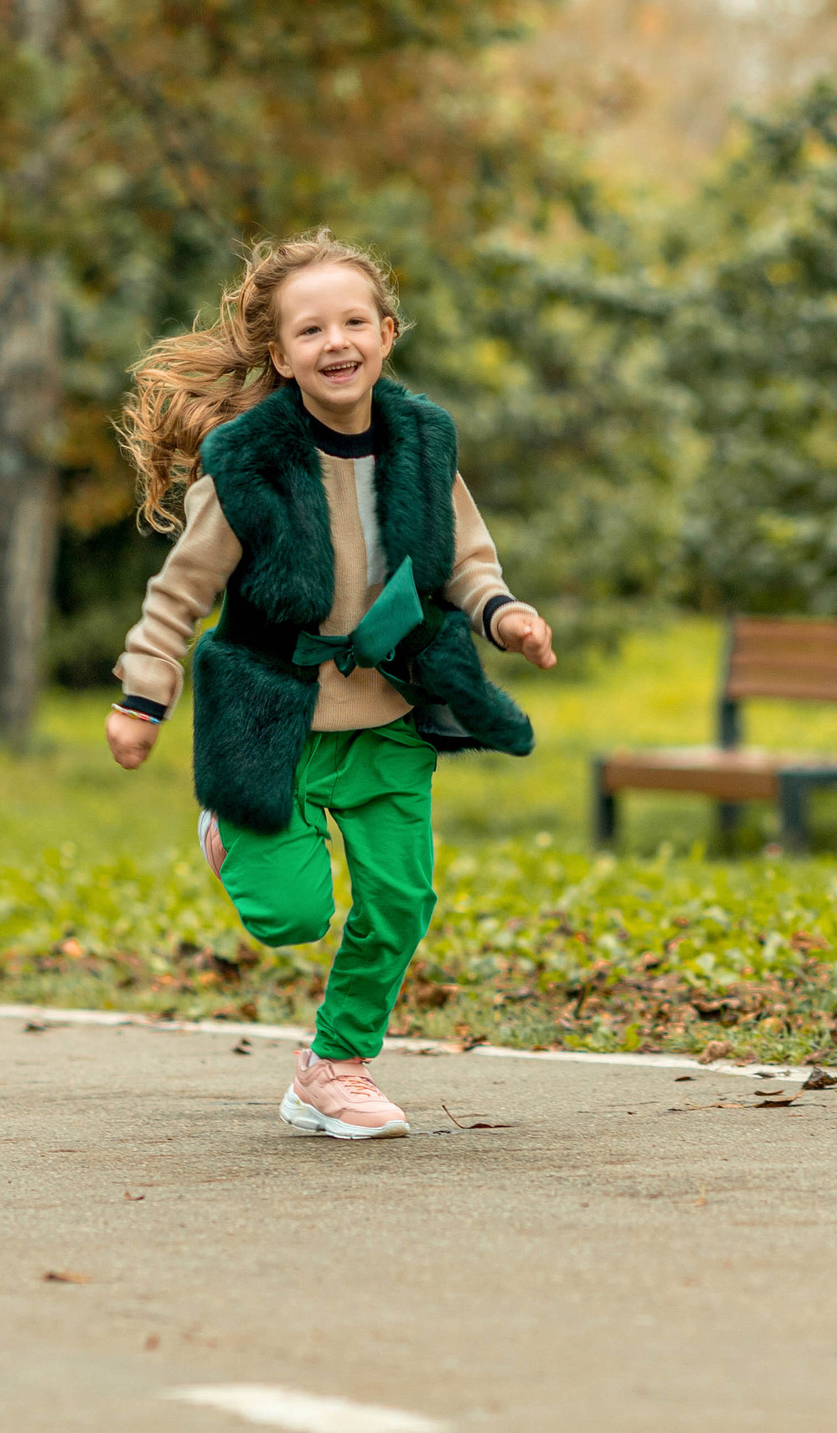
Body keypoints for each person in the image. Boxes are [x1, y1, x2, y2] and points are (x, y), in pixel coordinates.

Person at [106, 230, 555, 1140]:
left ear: (387, 333)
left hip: (389, 707)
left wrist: (502, 612)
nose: (336, 341)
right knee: (293, 915)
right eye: (311, 330)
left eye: (355, 320)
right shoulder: (247, 464)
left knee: (398, 900)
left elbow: (465, 558)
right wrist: (143, 696)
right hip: (275, 713)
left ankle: (335, 1066)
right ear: (280, 355)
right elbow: (179, 594)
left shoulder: (424, 443)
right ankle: (227, 824)